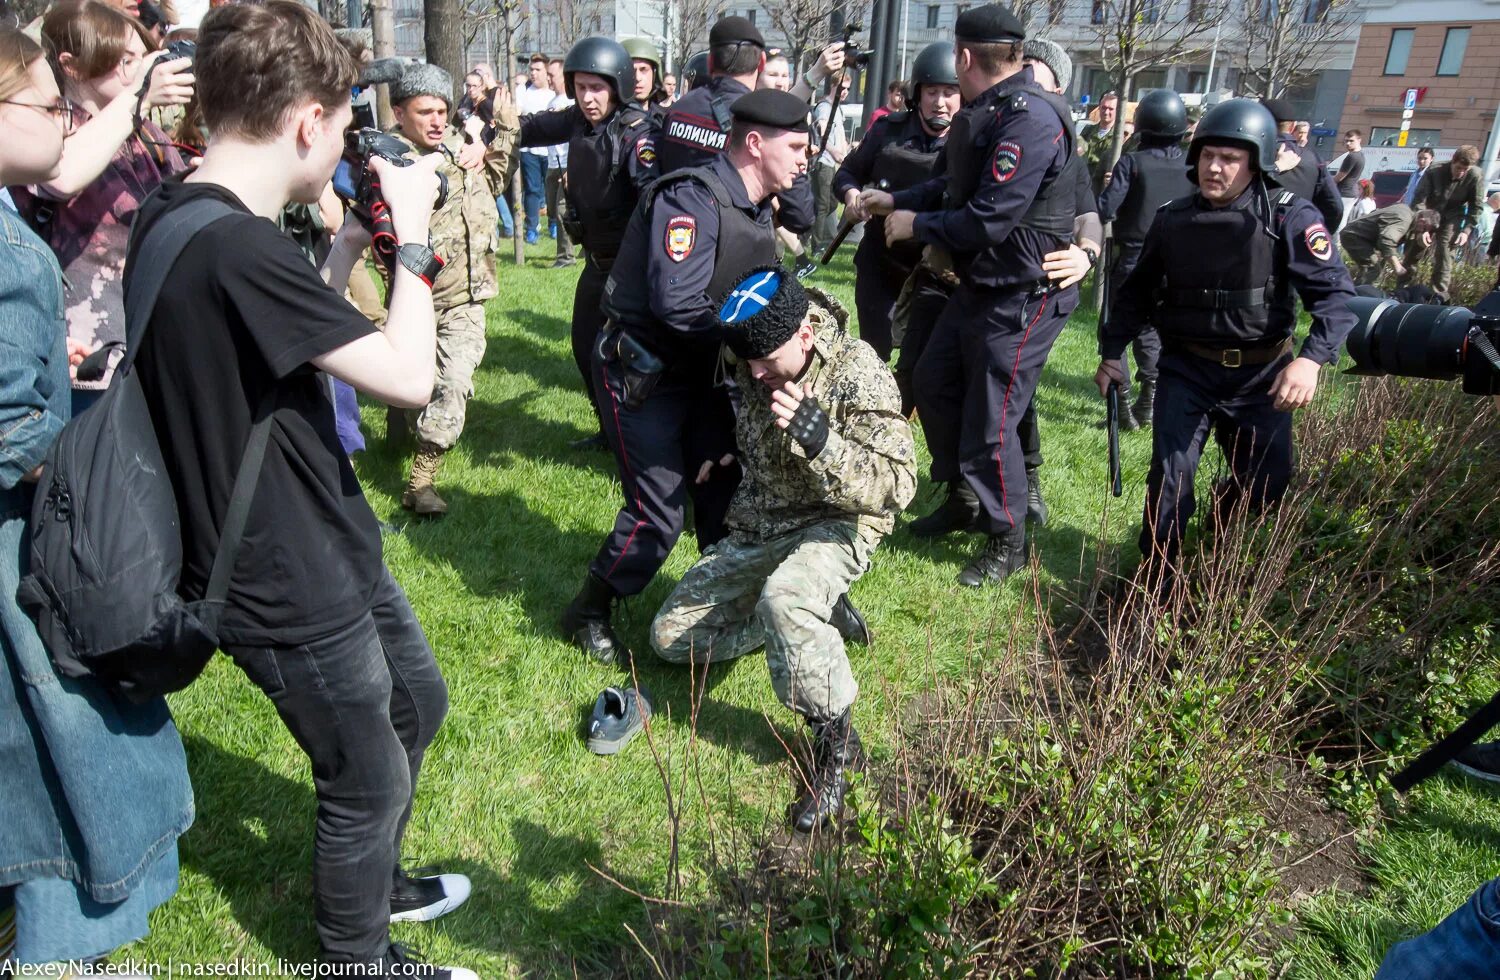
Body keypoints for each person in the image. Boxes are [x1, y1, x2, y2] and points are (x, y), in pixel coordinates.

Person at [126, 3, 475, 968]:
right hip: (279, 568)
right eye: (342, 125)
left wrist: (346, 254)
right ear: (307, 121)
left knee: (417, 705)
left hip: (321, 529)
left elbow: (284, 337)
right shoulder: (238, 248)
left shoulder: (183, 213)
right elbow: (409, 375)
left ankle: (373, 886)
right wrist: (411, 239)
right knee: (363, 776)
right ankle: (352, 958)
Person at [0, 26, 191, 966]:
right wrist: (76, 467)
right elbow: (5, 431)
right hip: (16, 533)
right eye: (46, 103)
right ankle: (70, 925)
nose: (62, 119)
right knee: (63, 714)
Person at [651, 271, 914, 832]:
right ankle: (810, 623)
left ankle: (838, 750)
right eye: (746, 362)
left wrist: (825, 444)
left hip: (837, 521)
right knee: (672, 640)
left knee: (785, 600)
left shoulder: (856, 371)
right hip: (763, 524)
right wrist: (714, 449)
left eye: (765, 360)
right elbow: (717, 402)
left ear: (803, 334)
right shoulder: (749, 354)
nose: (754, 373)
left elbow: (899, 483)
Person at [560, 89, 811, 662]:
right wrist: (757, 343)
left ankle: (729, 593)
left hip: (705, 371)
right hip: (643, 375)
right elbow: (678, 303)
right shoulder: (691, 200)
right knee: (659, 512)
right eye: (795, 147)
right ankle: (590, 608)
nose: (805, 160)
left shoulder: (751, 205)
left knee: (727, 483)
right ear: (754, 144)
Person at [861, 3, 1079, 586]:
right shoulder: (991, 110)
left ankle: (1007, 538)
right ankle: (963, 494)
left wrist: (917, 226)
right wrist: (901, 200)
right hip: (983, 285)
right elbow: (959, 185)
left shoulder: (1029, 119)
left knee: (992, 420)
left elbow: (990, 217)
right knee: (932, 381)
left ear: (963, 57)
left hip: (1024, 294)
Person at [1094, 99, 1357, 581]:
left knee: (1266, 487)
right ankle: (1157, 576)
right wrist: (1112, 352)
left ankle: (1221, 534)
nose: (1215, 167)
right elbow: (1134, 294)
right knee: (1169, 480)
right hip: (1188, 369)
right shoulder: (1173, 218)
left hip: (1262, 375)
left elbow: (1337, 299)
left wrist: (1312, 361)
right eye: (1208, 155)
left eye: (1230, 158)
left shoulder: (1289, 216)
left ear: (1255, 161)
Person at [7, 0, 192, 415]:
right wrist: (137, 99)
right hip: (82, 358)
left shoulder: (143, 132)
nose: (141, 70)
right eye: (125, 60)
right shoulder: (48, 129)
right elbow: (61, 176)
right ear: (72, 66)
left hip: (146, 346)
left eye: (141, 57)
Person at [386, 61, 518, 517]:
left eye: (443, 110)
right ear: (399, 112)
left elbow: (495, 182)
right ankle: (400, 416)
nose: (438, 120)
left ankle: (421, 480)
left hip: (467, 295)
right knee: (415, 386)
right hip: (411, 299)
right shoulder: (388, 161)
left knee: (455, 381)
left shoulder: (461, 148)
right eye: (426, 112)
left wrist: (500, 133)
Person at [517, 36, 658, 451]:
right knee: (585, 348)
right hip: (595, 264)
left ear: (617, 85)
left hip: (629, 268)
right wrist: (491, 126)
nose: (588, 98)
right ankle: (608, 430)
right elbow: (533, 128)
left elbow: (652, 199)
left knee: (625, 358)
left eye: (597, 88)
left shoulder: (636, 134)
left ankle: (635, 438)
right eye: (580, 88)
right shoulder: (579, 121)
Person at [834, 41, 958, 363]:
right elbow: (847, 173)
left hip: (933, 269)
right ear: (917, 93)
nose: (940, 103)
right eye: (932, 92)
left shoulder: (968, 142)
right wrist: (852, 197)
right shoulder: (888, 131)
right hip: (881, 263)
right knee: (872, 358)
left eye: (949, 92)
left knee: (920, 367)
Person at [1097, 87, 1192, 431]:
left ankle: (1121, 404)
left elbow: (1106, 208)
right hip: (1177, 262)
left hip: (1134, 258)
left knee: (1117, 327)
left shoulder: (1132, 162)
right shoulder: (1192, 166)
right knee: (1150, 331)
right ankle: (1149, 396)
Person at [1411, 145, 1485, 298]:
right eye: (1458, 168)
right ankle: (1402, 289)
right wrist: (1423, 227)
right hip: (1429, 212)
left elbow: (1476, 207)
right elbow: (1419, 200)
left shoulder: (1475, 175)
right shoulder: (1434, 171)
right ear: (1453, 161)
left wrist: (1466, 231)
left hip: (1453, 215)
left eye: (1466, 169)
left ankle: (1438, 296)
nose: (1461, 172)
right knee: (1414, 249)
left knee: (1445, 253)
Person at [1262, 97, 1343, 231]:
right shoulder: (1313, 157)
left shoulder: (1253, 153)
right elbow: (1335, 206)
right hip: (1296, 235)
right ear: (1293, 126)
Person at [1338, 203, 1439, 285]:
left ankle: (1341, 281)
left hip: (1360, 236)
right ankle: (1356, 299)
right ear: (1421, 221)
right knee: (1373, 269)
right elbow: (1387, 240)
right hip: (1355, 236)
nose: (1424, 232)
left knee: (1372, 265)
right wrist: (1397, 267)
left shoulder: (1406, 210)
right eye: (1425, 229)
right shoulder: (1404, 221)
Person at [808, 71, 851, 257]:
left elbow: (840, 137)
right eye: (842, 88)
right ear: (833, 85)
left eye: (848, 89)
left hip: (834, 164)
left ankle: (806, 234)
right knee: (823, 205)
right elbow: (822, 129)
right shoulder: (825, 107)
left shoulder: (838, 108)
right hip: (824, 162)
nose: (845, 92)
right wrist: (835, 152)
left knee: (833, 203)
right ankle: (817, 246)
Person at [543, 56, 576, 266]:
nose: (548, 79)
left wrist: (571, 168)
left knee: (564, 211)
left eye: (551, 75)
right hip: (552, 164)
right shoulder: (552, 102)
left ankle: (566, 257)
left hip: (567, 165)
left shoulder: (571, 103)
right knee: (553, 211)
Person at [518, 52, 553, 243]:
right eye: (531, 69)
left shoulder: (553, 94)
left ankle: (554, 223)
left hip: (550, 150)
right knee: (532, 189)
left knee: (550, 189)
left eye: (538, 69)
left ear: (546, 72)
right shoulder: (523, 92)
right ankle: (531, 228)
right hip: (529, 151)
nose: (533, 73)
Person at [1080, 90, 1118, 193]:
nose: (1106, 112)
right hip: (1083, 185)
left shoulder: (1119, 137)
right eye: (1104, 108)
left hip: (1103, 189)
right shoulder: (1087, 131)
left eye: (1111, 109)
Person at [622, 35, 666, 118]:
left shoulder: (665, 119)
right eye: (631, 71)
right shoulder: (610, 121)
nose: (638, 78)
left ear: (654, 74)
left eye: (643, 70)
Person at [1332, 128, 1364, 225]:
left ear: (1359, 140)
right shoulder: (1360, 155)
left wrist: (1327, 182)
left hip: (1345, 192)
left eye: (1351, 141)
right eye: (1346, 141)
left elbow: (1340, 177)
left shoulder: (1352, 156)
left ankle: (1336, 240)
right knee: (1342, 219)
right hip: (1350, 192)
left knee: (1339, 220)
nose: (1348, 143)